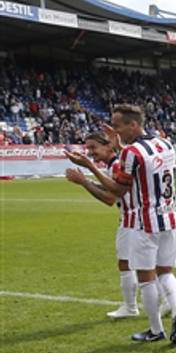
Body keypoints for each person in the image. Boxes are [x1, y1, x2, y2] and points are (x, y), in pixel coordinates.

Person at [74, 105, 176, 344]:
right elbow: (146, 165)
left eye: (117, 125)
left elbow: (117, 190)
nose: (114, 130)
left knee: (146, 277)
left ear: (133, 125)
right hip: (169, 217)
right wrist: (117, 145)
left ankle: (156, 330)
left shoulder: (131, 153)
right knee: (165, 272)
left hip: (144, 221)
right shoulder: (165, 144)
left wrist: (89, 169)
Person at [63, 132, 139, 318]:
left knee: (126, 264)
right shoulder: (115, 164)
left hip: (130, 219)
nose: (90, 152)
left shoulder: (115, 165)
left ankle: (130, 307)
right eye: (88, 148)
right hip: (137, 218)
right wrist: (86, 181)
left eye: (93, 147)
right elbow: (109, 188)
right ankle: (166, 302)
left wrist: (83, 182)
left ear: (108, 146)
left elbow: (109, 198)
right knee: (146, 264)